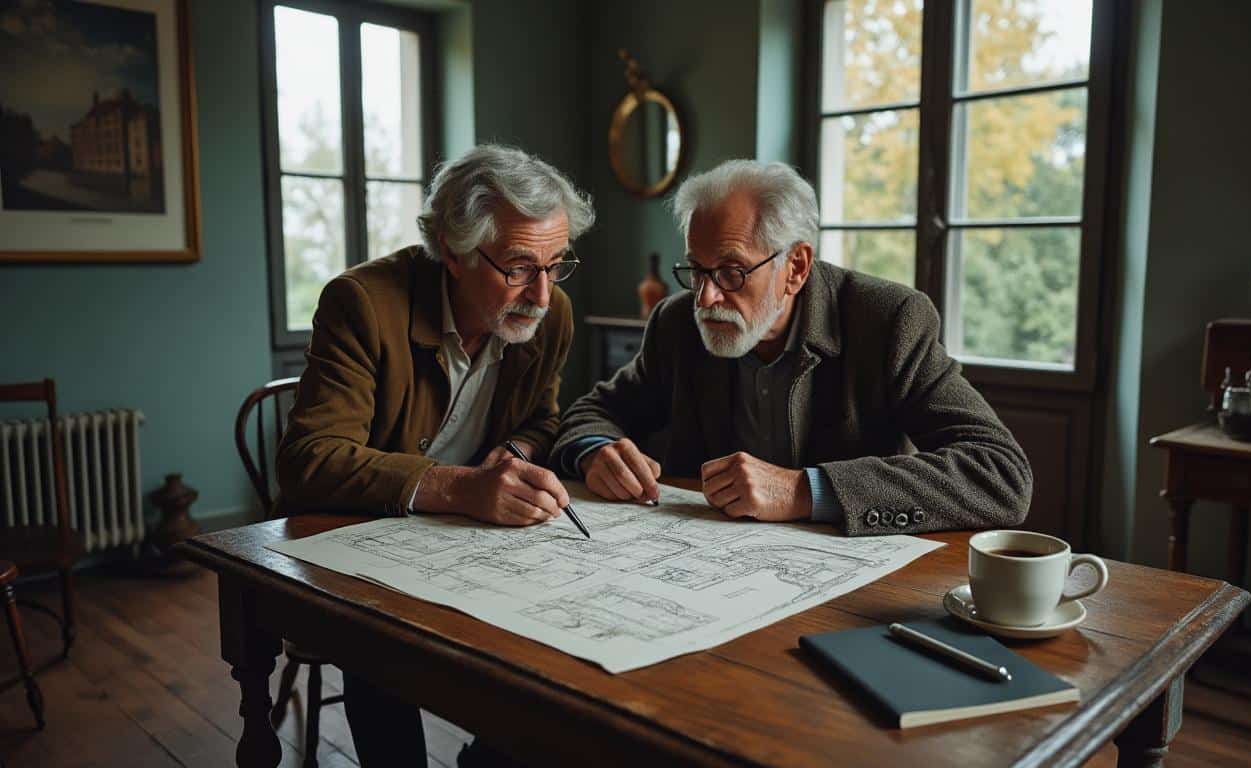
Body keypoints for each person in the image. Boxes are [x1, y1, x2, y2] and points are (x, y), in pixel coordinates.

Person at [275, 143, 593, 767]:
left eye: (557, 264)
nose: (543, 293)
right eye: (520, 267)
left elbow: (543, 419)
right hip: (375, 533)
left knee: (554, 631)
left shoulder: (550, 314)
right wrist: (462, 487)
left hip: (482, 542)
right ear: (453, 250)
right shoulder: (363, 303)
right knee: (378, 645)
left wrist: (511, 452)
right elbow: (309, 459)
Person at [554, 159, 1031, 536]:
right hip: (702, 571)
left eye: (731, 272)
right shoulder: (677, 322)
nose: (705, 297)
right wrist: (596, 452)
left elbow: (1000, 475)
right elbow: (592, 412)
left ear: (797, 267)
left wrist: (803, 490)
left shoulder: (888, 321)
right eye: (696, 269)